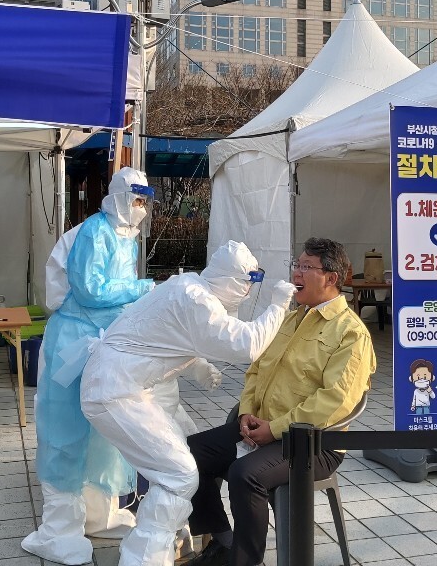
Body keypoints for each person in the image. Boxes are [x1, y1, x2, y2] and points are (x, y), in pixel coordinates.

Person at [81, 241, 298, 566]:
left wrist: (199, 367)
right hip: (114, 391)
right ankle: (144, 558)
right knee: (180, 473)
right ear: (233, 281)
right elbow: (247, 344)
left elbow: (166, 335)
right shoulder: (198, 300)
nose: (249, 293)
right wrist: (278, 305)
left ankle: (154, 548)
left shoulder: (187, 286)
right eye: (248, 284)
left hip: (119, 385)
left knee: (177, 461)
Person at [184, 237, 377, 566]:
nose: (296, 273)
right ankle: (222, 542)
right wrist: (245, 413)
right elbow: (256, 370)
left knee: (246, 474)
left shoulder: (350, 333)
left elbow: (335, 401)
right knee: (189, 454)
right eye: (296, 265)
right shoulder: (290, 318)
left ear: (331, 278)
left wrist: (274, 429)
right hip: (259, 427)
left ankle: (246, 561)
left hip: (313, 443)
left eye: (306, 267)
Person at [22, 167, 156, 565]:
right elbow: (92, 290)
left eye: (144, 201)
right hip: (73, 341)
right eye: (136, 200)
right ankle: (57, 530)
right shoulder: (93, 233)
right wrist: (146, 287)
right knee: (64, 429)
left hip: (104, 341)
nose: (141, 208)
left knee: (105, 427)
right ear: (118, 196)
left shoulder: (124, 237)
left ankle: (97, 514)